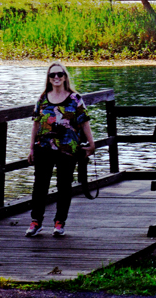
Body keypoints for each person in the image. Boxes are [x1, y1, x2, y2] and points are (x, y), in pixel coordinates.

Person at [25, 62, 95, 237]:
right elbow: (35, 124)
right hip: (43, 147)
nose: (56, 77)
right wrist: (31, 148)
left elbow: (84, 122)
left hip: (67, 148)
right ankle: (36, 222)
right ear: (48, 78)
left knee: (64, 185)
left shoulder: (75, 99)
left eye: (59, 74)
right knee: (40, 185)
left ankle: (59, 222)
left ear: (65, 76)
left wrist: (92, 144)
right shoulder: (42, 99)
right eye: (52, 75)